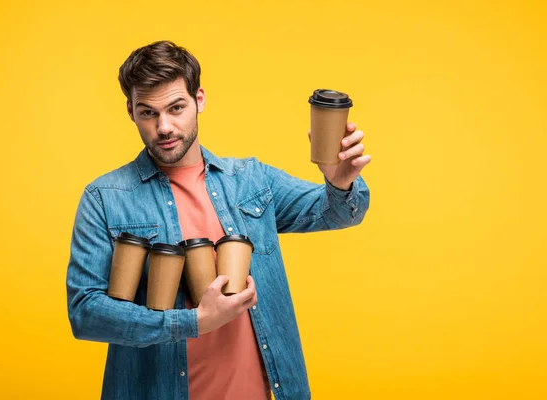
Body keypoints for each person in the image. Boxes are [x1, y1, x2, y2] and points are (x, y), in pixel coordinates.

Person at [66, 40, 371, 400]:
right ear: (130, 111)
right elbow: (85, 313)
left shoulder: (253, 181)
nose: (164, 127)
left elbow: (336, 212)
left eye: (176, 108)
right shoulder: (105, 198)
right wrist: (192, 322)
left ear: (200, 100)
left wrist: (340, 181)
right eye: (148, 112)